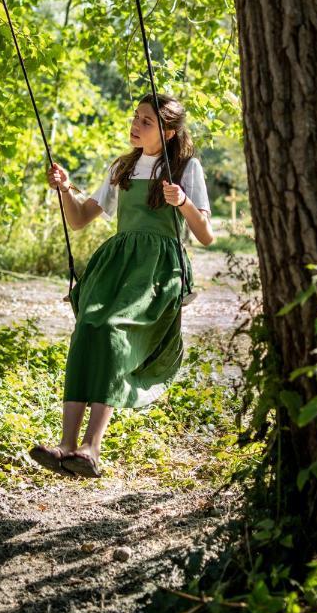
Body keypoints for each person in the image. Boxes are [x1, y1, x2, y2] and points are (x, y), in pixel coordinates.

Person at [29, 93, 214, 479]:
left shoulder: (185, 168)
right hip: (116, 266)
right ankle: (66, 444)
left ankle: (91, 448)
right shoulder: (121, 168)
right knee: (88, 328)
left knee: (112, 331)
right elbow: (80, 219)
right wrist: (65, 189)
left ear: (169, 131)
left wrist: (182, 202)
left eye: (146, 121)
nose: (135, 124)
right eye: (136, 117)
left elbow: (206, 235)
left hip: (158, 271)